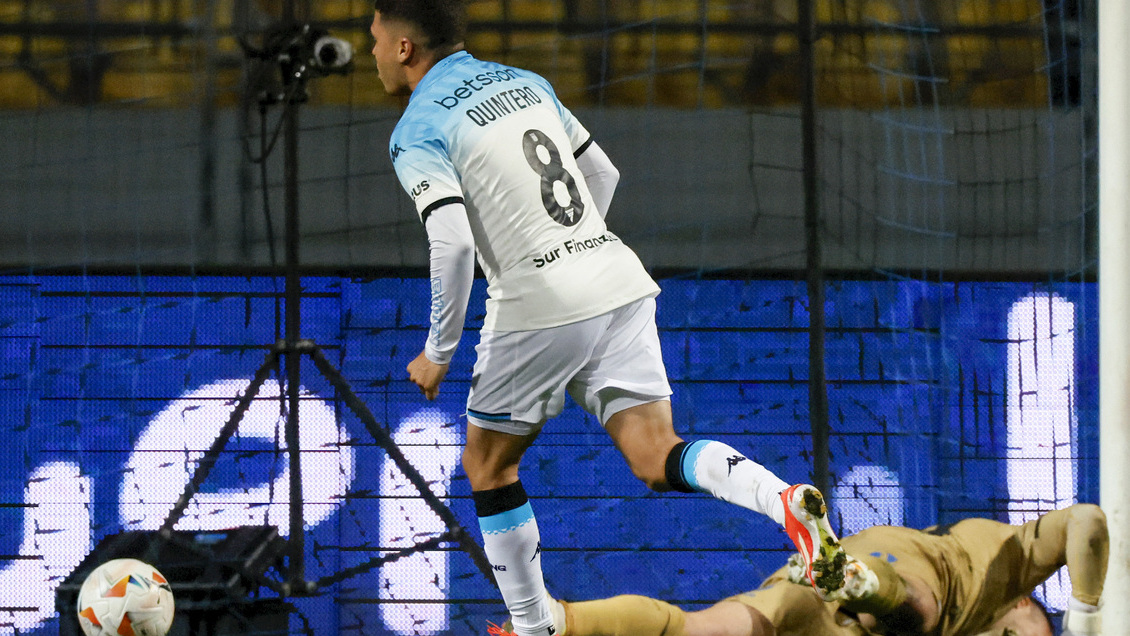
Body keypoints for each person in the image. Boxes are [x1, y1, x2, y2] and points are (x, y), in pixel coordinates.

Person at [369, 2, 872, 634]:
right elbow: (601, 171)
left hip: (537, 297)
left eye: (376, 39)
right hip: (615, 274)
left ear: (406, 47)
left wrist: (439, 349)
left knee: (488, 466)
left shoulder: (416, 128)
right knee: (656, 455)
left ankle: (534, 626)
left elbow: (455, 242)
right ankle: (784, 503)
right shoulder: (526, 82)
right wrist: (581, 254)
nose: (373, 52)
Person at [502, 503, 1109, 636]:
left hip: (818, 609)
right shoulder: (998, 565)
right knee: (917, 612)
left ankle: (560, 622)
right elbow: (1086, 521)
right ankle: (861, 584)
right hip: (902, 573)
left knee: (695, 632)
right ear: (1021, 606)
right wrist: (1084, 611)